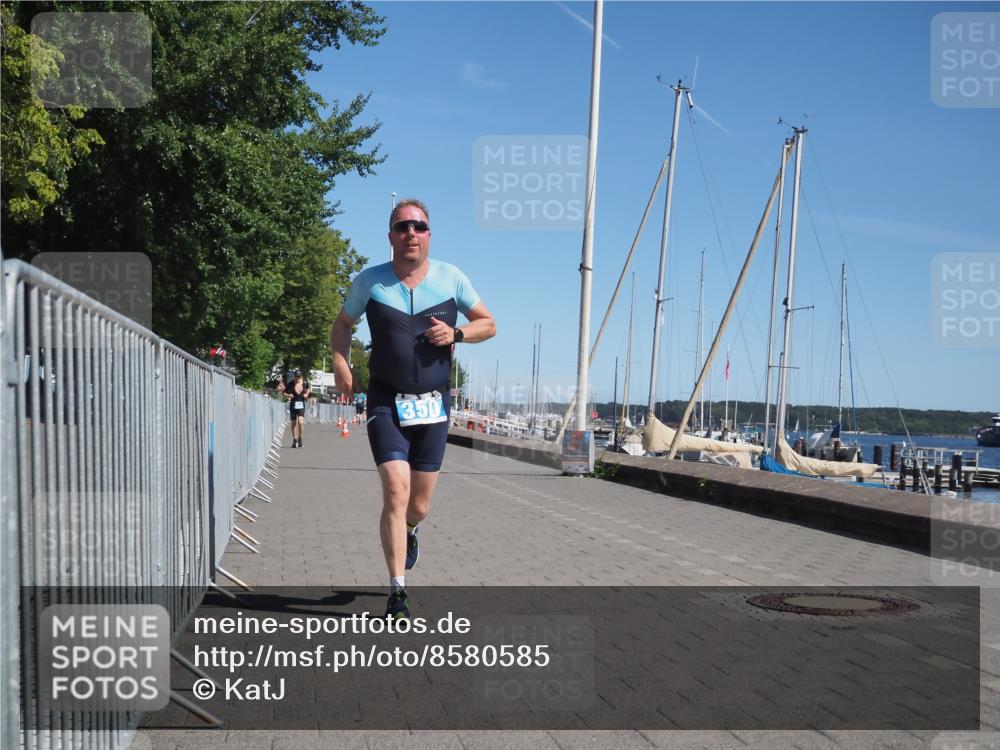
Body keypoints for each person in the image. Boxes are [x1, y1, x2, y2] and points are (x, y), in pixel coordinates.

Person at [329, 199, 495, 619]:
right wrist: (341, 362)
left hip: (434, 406)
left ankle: (411, 529)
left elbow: (488, 323)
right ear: (391, 236)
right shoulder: (370, 281)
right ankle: (397, 591)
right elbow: (342, 325)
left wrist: (457, 333)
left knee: (418, 505)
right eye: (402, 226)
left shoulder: (451, 278)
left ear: (429, 235)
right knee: (395, 490)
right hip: (386, 401)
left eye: (418, 226)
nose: (411, 233)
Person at [284, 371, 310, 447]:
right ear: (294, 376)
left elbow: (308, 388)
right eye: (296, 377)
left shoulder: (305, 383)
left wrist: (306, 394)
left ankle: (300, 438)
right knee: (293, 423)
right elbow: (284, 393)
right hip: (293, 404)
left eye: (299, 377)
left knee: (301, 422)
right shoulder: (291, 384)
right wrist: (288, 395)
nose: (297, 378)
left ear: (301, 376)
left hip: (301, 404)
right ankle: (295, 440)